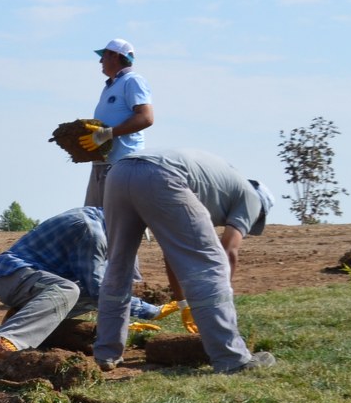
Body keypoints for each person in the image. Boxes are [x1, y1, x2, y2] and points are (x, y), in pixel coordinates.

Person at [95, 148, 277, 374]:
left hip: (119, 173)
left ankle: (106, 352)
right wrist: (215, 302)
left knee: (118, 265)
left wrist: (184, 303)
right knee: (211, 264)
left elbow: (174, 253)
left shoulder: (222, 183)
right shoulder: (252, 198)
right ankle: (232, 358)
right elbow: (229, 250)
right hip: (162, 174)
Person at [0, 206, 168, 364]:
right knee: (70, 290)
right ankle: (0, 342)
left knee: (86, 289)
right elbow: (99, 290)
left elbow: (110, 283)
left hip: (32, 281)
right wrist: (151, 311)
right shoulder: (90, 231)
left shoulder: (104, 223)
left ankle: (21, 318)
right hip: (11, 277)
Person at [81, 38, 154, 207]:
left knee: (113, 222)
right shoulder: (110, 86)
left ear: (115, 56)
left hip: (122, 164)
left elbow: (146, 117)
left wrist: (108, 133)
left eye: (103, 55)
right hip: (103, 163)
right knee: (93, 219)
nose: (100, 60)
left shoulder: (132, 81)